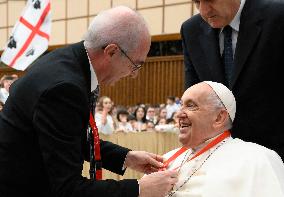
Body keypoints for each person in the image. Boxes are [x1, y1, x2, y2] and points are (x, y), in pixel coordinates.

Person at [0, 6, 178, 197]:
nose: (133, 75)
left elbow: (69, 138)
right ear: (111, 52)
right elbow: (68, 189)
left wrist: (126, 157)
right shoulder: (64, 88)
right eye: (135, 65)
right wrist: (139, 189)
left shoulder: (69, 62)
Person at [181, 0, 284, 159]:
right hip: (219, 157)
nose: (203, 10)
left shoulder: (278, 15)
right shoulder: (191, 30)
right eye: (196, 2)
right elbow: (193, 98)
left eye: (210, 0)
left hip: (276, 154)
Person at [162, 81, 284, 197]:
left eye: (191, 106)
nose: (178, 114)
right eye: (181, 105)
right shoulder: (166, 160)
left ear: (219, 118)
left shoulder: (258, 159)